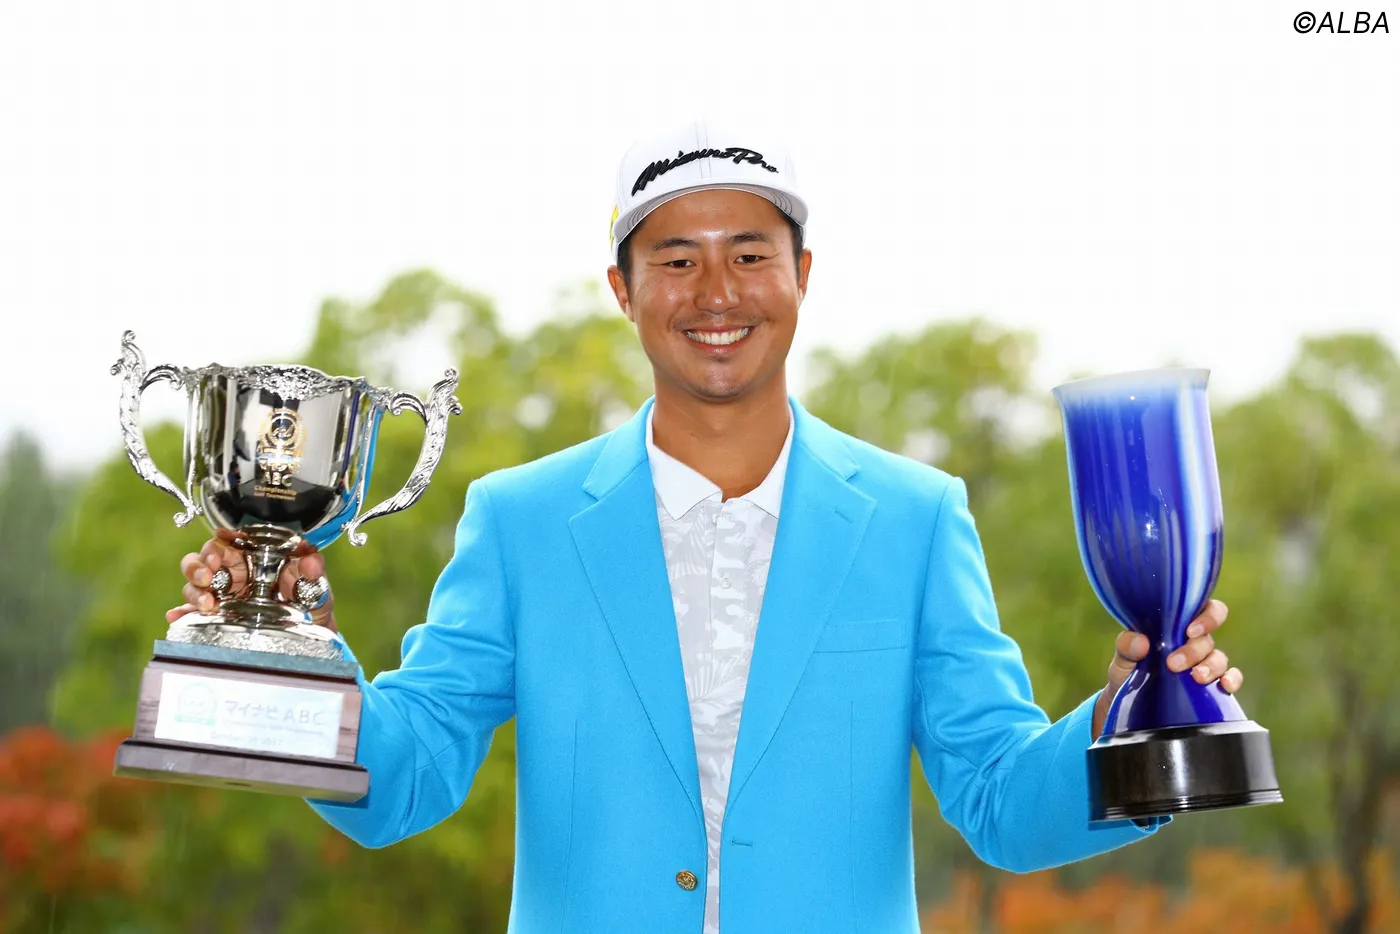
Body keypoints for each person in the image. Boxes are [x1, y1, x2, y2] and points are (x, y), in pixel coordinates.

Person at [168, 119, 1245, 933]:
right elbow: (404, 779)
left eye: (749, 254)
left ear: (802, 275)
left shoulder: (916, 520)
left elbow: (1000, 800)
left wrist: (1129, 723)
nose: (715, 292)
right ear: (622, 289)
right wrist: (287, 647)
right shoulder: (520, 521)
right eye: (676, 259)